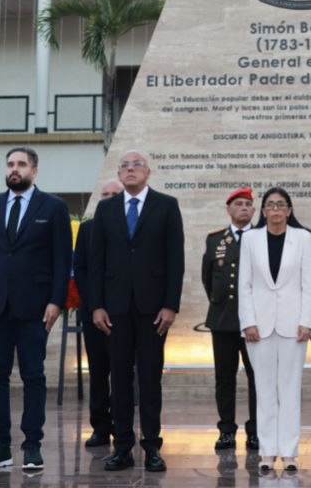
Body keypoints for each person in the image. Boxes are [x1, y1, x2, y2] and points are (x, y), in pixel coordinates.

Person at [0, 147, 72, 472]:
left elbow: (61, 260)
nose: (15, 169)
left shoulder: (54, 207)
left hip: (34, 307)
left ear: (34, 171)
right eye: (10, 164)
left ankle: (32, 445)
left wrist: (56, 301)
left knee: (33, 376)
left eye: (21, 164)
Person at [87, 150, 185, 473]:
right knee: (120, 380)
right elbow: (96, 262)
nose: (130, 170)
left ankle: (152, 447)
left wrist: (171, 305)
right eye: (124, 166)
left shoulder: (167, 205)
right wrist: (97, 305)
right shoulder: (105, 209)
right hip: (114, 310)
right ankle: (123, 447)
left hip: (153, 310)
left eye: (136, 165)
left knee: (149, 378)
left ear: (148, 172)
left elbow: (175, 259)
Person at [238, 188, 311, 473]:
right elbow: (244, 285)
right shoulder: (250, 239)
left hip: (293, 325)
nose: (275, 210)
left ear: (289, 209)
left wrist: (307, 321)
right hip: (259, 326)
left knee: (290, 388)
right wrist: (247, 321)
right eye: (270, 205)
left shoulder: (303, 238)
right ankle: (268, 452)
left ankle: (290, 452)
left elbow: (309, 284)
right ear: (263, 211)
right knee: (265, 389)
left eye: (280, 205)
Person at [202, 186, 259, 452]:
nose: (243, 208)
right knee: (224, 378)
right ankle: (226, 430)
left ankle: (256, 430)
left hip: (255, 323)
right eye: (238, 204)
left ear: (254, 210)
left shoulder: (262, 237)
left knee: (256, 377)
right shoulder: (215, 240)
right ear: (229, 209)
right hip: (223, 320)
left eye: (248, 204)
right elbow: (208, 278)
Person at [72, 178, 122, 448]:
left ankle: (121, 425)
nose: (110, 197)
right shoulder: (88, 229)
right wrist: (94, 306)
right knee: (98, 372)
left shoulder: (130, 228)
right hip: (93, 314)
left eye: (116, 194)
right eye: (105, 194)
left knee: (122, 371)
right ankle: (100, 428)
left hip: (123, 314)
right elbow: (80, 269)